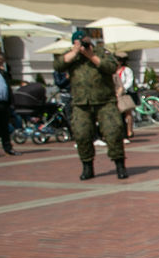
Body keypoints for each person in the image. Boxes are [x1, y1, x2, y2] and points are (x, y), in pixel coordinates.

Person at [56, 30, 125, 180]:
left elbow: (111, 67)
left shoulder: (101, 52)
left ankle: (119, 164)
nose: (84, 45)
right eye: (80, 42)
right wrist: (74, 52)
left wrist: (91, 56)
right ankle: (87, 166)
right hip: (81, 103)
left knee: (113, 132)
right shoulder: (71, 56)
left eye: (86, 41)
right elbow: (58, 65)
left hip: (105, 101)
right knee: (82, 135)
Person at [114, 53, 135, 142]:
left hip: (126, 93)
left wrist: (123, 90)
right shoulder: (113, 71)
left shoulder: (126, 70)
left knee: (127, 112)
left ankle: (129, 130)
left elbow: (129, 81)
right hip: (116, 94)